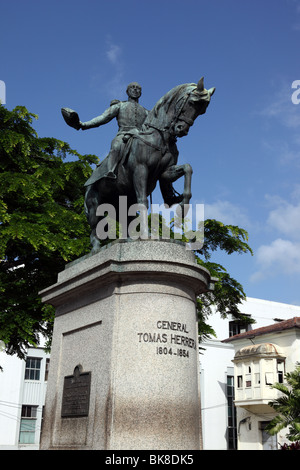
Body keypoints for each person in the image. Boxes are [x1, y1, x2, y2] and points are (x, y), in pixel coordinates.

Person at [80, 82, 148, 179]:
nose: (135, 90)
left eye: (138, 89)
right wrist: (84, 124)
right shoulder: (120, 105)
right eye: (133, 88)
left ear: (141, 93)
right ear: (127, 91)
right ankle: (110, 171)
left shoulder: (146, 111)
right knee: (116, 146)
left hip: (140, 137)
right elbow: (103, 118)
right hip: (123, 135)